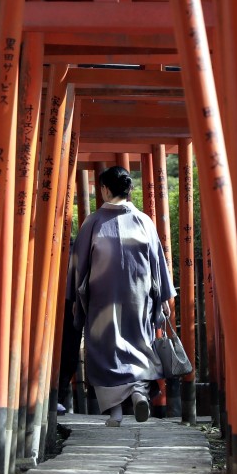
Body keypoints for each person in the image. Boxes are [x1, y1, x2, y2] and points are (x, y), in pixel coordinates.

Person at [66, 165, 175, 427]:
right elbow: (158, 262)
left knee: (106, 353)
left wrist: (74, 300)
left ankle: (115, 414)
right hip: (139, 299)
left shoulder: (93, 222)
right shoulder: (144, 221)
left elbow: (78, 264)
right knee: (139, 346)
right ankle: (138, 392)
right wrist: (163, 299)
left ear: (104, 189)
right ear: (129, 189)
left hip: (103, 302)